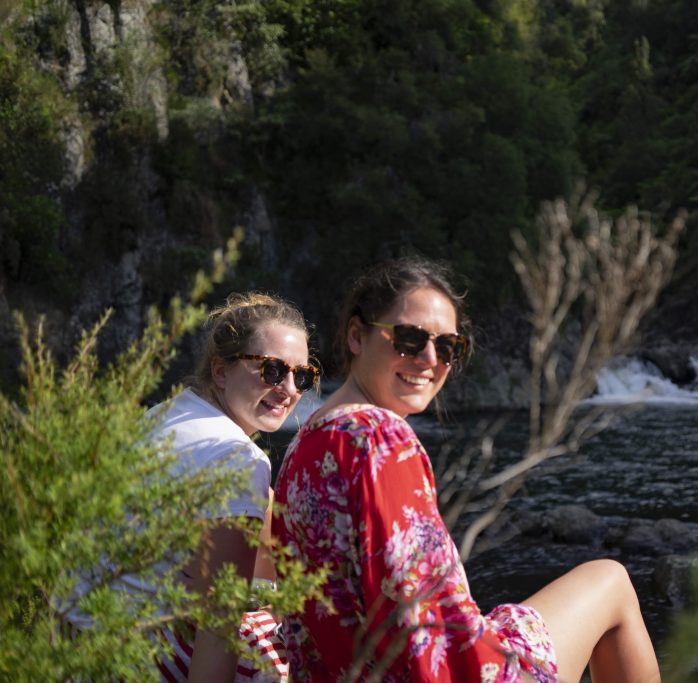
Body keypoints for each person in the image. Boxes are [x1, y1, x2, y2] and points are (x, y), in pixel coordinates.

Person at [272, 257, 660, 683]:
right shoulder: (379, 439)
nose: (429, 359)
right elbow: (421, 624)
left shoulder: (305, 441)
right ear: (356, 336)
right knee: (612, 580)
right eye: (408, 338)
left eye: (448, 347)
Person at [65, 292, 319, 682]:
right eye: (271, 370)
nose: (289, 389)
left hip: (70, 634)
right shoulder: (237, 457)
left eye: (302, 376)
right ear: (220, 371)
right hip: (127, 656)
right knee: (297, 653)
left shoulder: (168, 413)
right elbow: (219, 623)